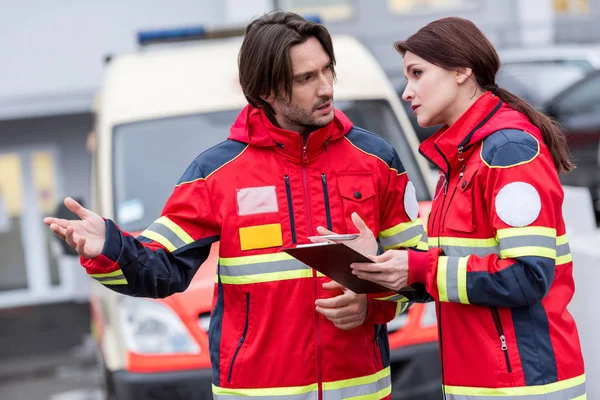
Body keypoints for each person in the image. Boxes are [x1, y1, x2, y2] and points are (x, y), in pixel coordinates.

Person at [44, 11, 425, 399]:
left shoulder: (377, 159)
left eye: (327, 70)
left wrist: (371, 303)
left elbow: (418, 267)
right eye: (306, 79)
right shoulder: (215, 174)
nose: (326, 88)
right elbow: (162, 270)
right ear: (266, 92)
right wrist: (109, 247)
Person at [346, 17, 586, 400]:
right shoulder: (461, 161)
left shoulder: (507, 152)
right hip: (480, 383)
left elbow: (528, 276)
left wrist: (419, 267)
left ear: (461, 70)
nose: (407, 92)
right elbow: (451, 272)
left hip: (524, 387)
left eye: (417, 73)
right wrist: (381, 265)